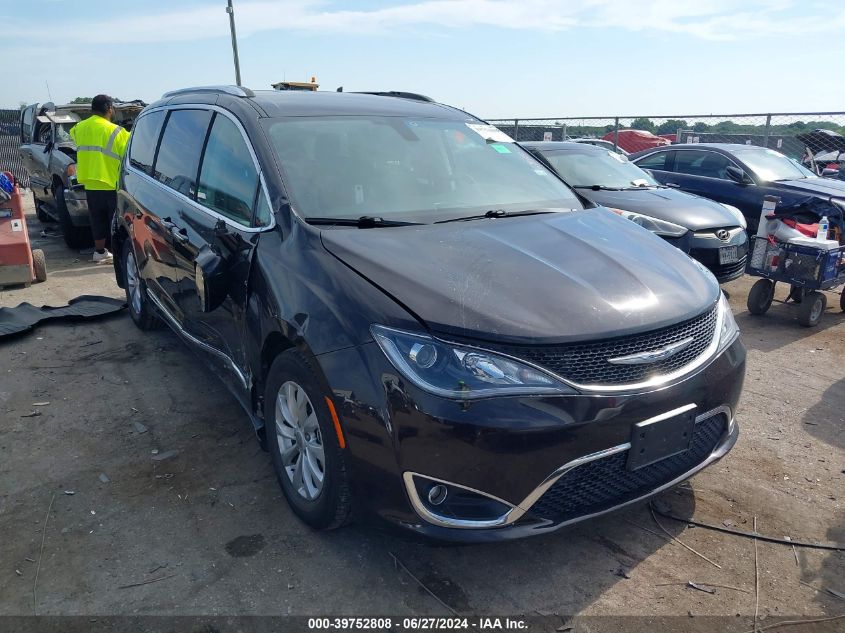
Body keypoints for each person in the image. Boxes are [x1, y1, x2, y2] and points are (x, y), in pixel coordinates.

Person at [69, 94, 130, 263]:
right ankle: (115, 253)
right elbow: (129, 152)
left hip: (89, 181)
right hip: (111, 182)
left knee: (96, 218)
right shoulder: (117, 131)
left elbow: (74, 137)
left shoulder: (79, 127)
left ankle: (99, 252)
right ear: (109, 108)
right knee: (114, 221)